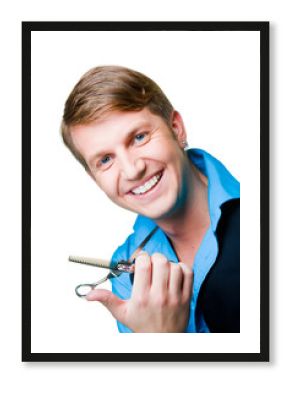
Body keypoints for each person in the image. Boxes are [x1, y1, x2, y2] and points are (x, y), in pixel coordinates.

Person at [61, 65, 240, 333]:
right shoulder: (125, 276)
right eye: (106, 160)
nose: (133, 170)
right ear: (94, 178)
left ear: (177, 129)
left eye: (139, 137)